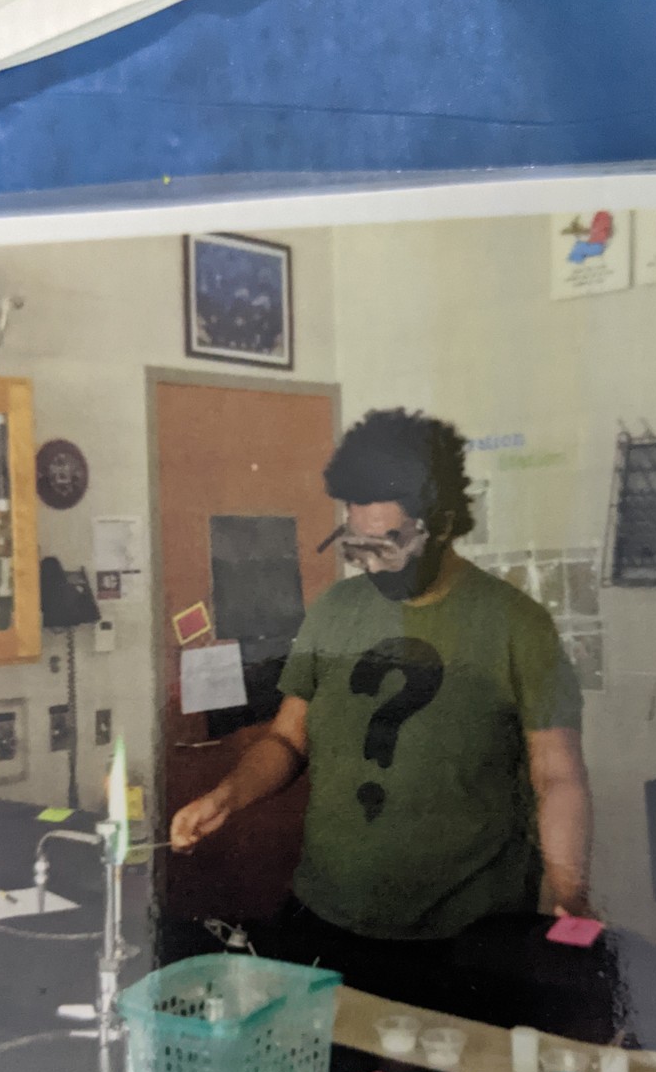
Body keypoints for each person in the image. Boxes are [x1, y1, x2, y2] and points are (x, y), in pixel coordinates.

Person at [170, 408, 593, 1000]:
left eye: (386, 546)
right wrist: (228, 795)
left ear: (442, 523)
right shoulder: (334, 611)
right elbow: (288, 739)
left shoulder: (517, 626)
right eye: (356, 545)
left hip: (465, 935)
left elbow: (557, 776)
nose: (369, 564)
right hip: (326, 913)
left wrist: (570, 891)